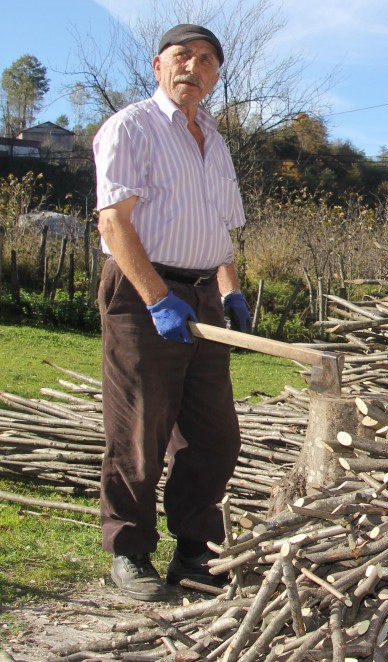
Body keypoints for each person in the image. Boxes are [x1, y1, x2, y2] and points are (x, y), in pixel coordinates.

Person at [93, 24, 253, 601]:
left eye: (207, 59)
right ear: (158, 65)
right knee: (141, 426)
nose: (194, 66)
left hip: (204, 295)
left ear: (215, 77)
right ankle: (130, 551)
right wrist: (159, 299)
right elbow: (114, 222)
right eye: (183, 56)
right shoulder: (131, 126)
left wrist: (231, 289)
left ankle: (194, 553)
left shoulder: (215, 139)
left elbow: (222, 232)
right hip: (144, 293)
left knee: (214, 435)